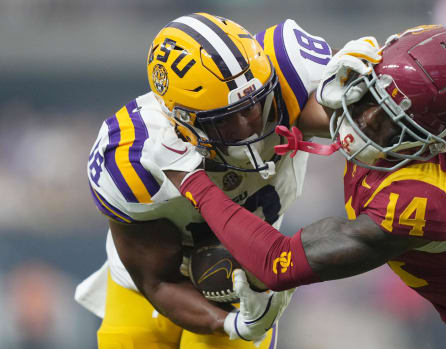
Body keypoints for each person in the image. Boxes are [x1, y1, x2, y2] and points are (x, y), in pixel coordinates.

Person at [168, 25, 446, 348]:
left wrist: (191, 180)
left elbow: (278, 263)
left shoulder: (426, 200)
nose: (363, 123)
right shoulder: (417, 105)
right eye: (371, 99)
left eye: (389, 124)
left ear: (432, 139)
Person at [75, 12, 334, 349]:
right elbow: (158, 282)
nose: (248, 128)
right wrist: (231, 324)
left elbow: (353, 121)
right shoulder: (134, 157)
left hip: (246, 272)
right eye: (225, 120)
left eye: (252, 107)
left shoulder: (289, 73)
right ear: (183, 122)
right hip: (148, 283)